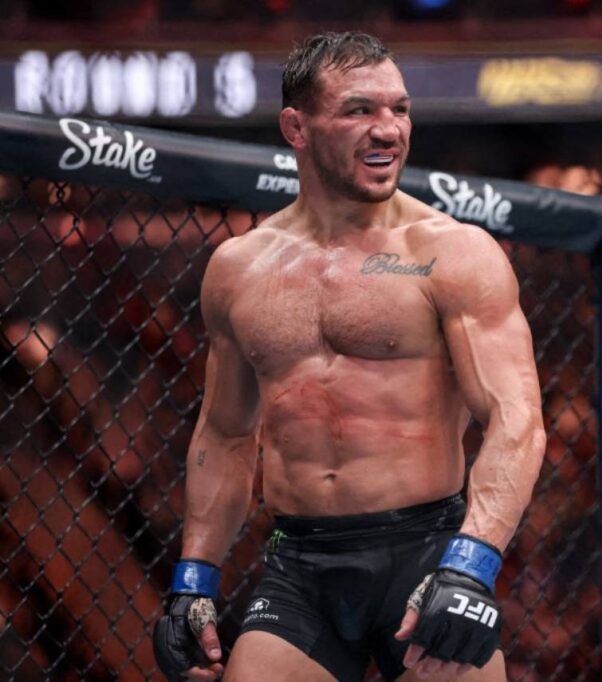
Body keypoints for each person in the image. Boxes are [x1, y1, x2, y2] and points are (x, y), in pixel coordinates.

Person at [152, 31, 546, 682]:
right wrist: (194, 579)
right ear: (296, 127)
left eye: (400, 109)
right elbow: (225, 434)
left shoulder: (454, 252)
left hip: (427, 552)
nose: (389, 129)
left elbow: (517, 419)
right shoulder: (238, 269)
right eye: (360, 110)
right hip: (298, 560)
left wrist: (471, 565)